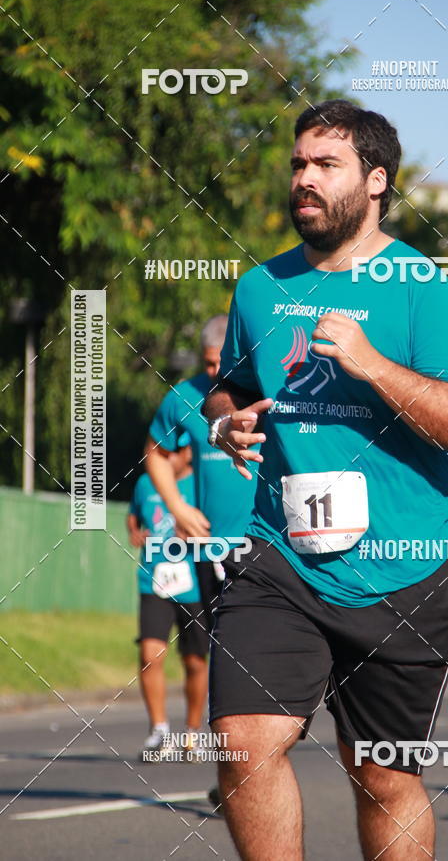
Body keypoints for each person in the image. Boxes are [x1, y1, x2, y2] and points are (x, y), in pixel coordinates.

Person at [203, 99, 448, 859]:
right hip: (283, 560)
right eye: (298, 163)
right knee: (242, 745)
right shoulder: (260, 286)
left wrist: (369, 362)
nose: (303, 178)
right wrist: (223, 419)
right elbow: (227, 383)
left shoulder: (420, 286)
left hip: (403, 572)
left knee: (381, 777)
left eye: (324, 165)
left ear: (373, 183)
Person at [144, 315, 258, 764]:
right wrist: (177, 506)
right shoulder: (184, 398)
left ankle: (246, 760)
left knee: (254, 654)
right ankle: (236, 764)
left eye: (223, 362)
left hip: (267, 544)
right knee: (221, 653)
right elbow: (155, 451)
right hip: (209, 550)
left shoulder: (266, 387)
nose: (216, 372)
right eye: (209, 363)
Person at [127, 433, 208, 760]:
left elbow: (219, 528)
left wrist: (197, 533)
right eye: (160, 452)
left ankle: (192, 733)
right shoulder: (146, 484)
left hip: (193, 586)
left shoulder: (202, 485)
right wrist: (133, 530)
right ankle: (159, 730)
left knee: (195, 663)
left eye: (171, 452)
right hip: (154, 583)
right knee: (150, 654)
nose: (165, 459)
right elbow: (134, 516)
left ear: (188, 453)